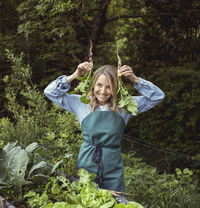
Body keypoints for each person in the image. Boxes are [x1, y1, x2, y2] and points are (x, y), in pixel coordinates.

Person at [44, 62, 165, 192]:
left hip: (113, 167)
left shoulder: (125, 106)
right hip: (86, 165)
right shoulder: (80, 103)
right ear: (93, 84)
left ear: (116, 88)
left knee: (115, 206)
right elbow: (50, 92)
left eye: (109, 87)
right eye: (99, 85)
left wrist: (135, 79)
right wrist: (75, 75)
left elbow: (157, 96)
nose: (102, 91)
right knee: (84, 202)